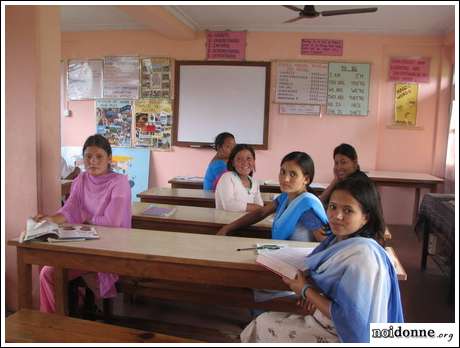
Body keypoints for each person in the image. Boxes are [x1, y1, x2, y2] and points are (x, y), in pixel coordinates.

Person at [240, 174, 404, 343]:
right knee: (264, 319)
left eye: (348, 210)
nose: (337, 216)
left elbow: (350, 320)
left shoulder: (362, 257)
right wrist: (315, 295)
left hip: (340, 335)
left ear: (365, 217)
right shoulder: (335, 241)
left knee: (262, 324)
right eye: (333, 207)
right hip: (323, 320)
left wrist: (306, 291)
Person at [35, 134, 132, 313]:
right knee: (47, 270)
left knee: (49, 272)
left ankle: (60, 318)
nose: (93, 161)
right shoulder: (81, 179)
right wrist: (49, 219)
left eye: (99, 157)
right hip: (85, 243)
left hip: (110, 248)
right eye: (88, 156)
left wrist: (86, 218)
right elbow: (70, 209)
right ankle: (53, 321)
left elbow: (113, 222)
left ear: (109, 158)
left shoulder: (119, 183)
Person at [217, 152, 328, 242]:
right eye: (282, 172)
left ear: (306, 179)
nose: (285, 179)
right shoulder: (284, 198)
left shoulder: (307, 207)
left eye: (293, 174)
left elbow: (325, 244)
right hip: (280, 256)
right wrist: (227, 228)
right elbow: (260, 213)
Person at [215, 144, 263, 212]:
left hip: (247, 221)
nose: (245, 162)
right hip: (227, 221)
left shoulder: (254, 182)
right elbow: (229, 205)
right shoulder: (227, 177)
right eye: (239, 159)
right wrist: (255, 207)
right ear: (233, 163)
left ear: (254, 161)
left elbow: (260, 205)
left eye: (248, 158)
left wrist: (259, 208)